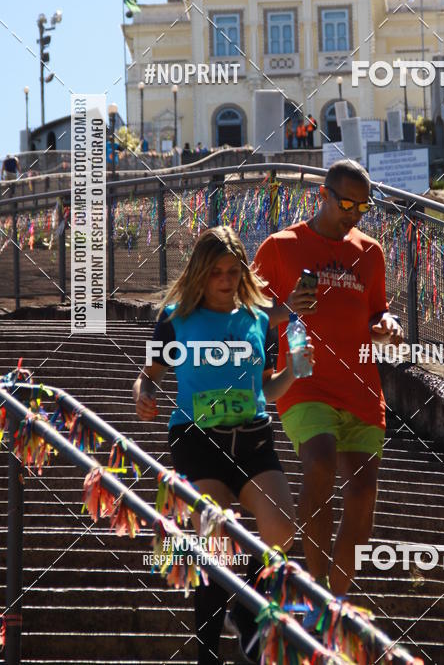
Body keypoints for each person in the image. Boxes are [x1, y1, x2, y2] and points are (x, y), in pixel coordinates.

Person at [133, 225, 313, 664]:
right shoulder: (175, 318)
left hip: (252, 436)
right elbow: (149, 375)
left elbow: (267, 388)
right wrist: (143, 393)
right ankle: (207, 654)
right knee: (213, 545)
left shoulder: (257, 317)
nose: (226, 279)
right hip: (197, 440)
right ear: (200, 271)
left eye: (234, 271)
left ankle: (248, 610)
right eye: (216, 271)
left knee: (283, 530)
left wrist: (296, 373)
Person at [253, 159, 403, 616]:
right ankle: (314, 589)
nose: (355, 213)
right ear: (323, 194)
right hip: (305, 379)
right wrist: (283, 310)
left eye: (363, 205)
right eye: (347, 203)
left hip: (360, 387)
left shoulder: (371, 252)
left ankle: (334, 607)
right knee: (318, 463)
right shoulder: (281, 247)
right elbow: (247, 311)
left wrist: (387, 325)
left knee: (362, 496)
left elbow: (377, 311)